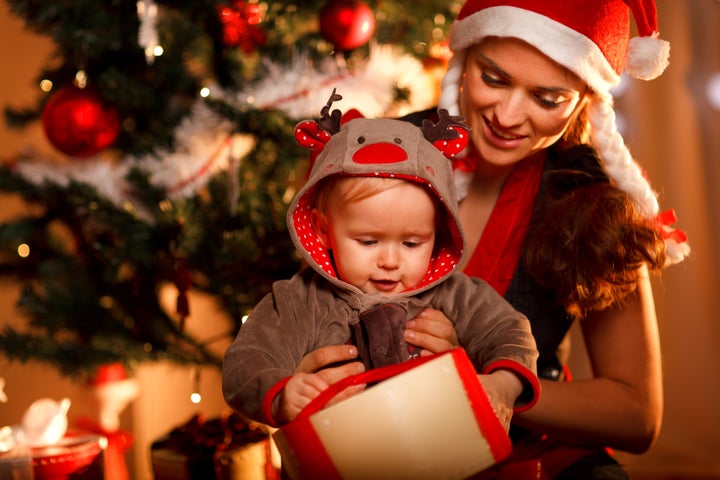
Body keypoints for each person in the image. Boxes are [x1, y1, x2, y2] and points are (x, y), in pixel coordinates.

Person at [293, 1, 691, 479]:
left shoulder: (595, 204)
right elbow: (307, 312)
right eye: (494, 79)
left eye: (548, 99)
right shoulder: (379, 153)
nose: (507, 115)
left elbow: (635, 415)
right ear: (464, 56)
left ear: (585, 96)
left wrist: (484, 385)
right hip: (383, 449)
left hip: (534, 456)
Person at [222, 102, 540, 431]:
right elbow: (245, 361)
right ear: (322, 229)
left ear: (439, 232)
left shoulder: (456, 294)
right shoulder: (298, 302)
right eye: (368, 241)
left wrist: (503, 385)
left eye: (412, 243)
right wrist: (282, 396)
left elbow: (509, 333)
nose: (389, 261)